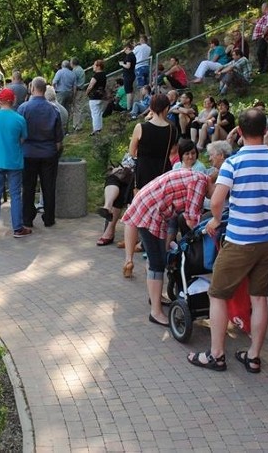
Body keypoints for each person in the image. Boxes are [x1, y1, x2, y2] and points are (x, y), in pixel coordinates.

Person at [187, 108, 268, 373]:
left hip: (239, 240)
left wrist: (216, 219)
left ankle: (216, 355)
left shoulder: (232, 163)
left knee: (217, 294)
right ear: (266, 131)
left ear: (239, 131)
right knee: (259, 297)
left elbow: (216, 201)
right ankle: (253, 355)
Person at [122, 168, 212, 326]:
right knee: (157, 262)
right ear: (214, 182)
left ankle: (155, 297)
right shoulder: (200, 183)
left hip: (151, 206)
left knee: (156, 257)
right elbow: (191, 220)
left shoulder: (199, 178)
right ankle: (155, 313)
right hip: (151, 211)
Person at [122, 94, 178, 278]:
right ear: (166, 108)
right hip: (162, 175)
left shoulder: (141, 127)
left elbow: (132, 151)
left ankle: (128, 259)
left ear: (152, 108)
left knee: (133, 215)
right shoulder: (172, 129)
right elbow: (172, 151)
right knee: (159, 216)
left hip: (143, 173)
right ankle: (153, 254)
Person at [0, 87, 29, 238]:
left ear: (0, 101)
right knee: (15, 195)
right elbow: (23, 139)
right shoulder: (20, 119)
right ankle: (18, 228)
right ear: (13, 100)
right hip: (14, 160)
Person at [18, 77, 63, 228]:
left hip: (28, 153)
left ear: (32, 88)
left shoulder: (23, 108)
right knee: (49, 187)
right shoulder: (53, 109)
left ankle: (27, 218)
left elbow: (19, 135)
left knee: (28, 187)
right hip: (48, 152)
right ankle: (49, 218)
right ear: (45, 90)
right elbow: (58, 138)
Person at [85, 59, 109, 135]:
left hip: (94, 97)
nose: (93, 66)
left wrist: (87, 92)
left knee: (94, 114)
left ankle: (95, 130)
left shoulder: (96, 76)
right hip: (101, 96)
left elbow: (90, 85)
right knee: (99, 113)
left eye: (94, 65)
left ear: (98, 66)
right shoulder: (104, 75)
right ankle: (99, 128)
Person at [252, 2, 268, 74]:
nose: (261, 9)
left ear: (265, 7)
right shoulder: (264, 16)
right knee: (262, 53)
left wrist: (263, 35)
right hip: (259, 37)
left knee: (260, 52)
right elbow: (256, 22)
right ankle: (263, 69)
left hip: (262, 37)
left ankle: (263, 69)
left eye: (262, 8)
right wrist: (246, 20)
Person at [52, 60, 77, 130]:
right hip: (69, 93)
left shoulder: (59, 72)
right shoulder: (72, 74)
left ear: (62, 65)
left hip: (60, 93)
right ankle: (66, 129)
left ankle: (59, 129)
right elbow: (74, 87)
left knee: (58, 111)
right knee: (67, 111)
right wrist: (73, 95)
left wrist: (54, 90)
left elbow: (54, 82)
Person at [118, 43, 136, 110]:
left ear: (128, 48)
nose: (124, 50)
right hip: (131, 75)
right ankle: (131, 106)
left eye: (125, 49)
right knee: (131, 91)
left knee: (128, 92)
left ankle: (128, 108)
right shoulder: (133, 55)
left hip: (128, 76)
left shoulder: (129, 56)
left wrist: (122, 64)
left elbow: (128, 66)